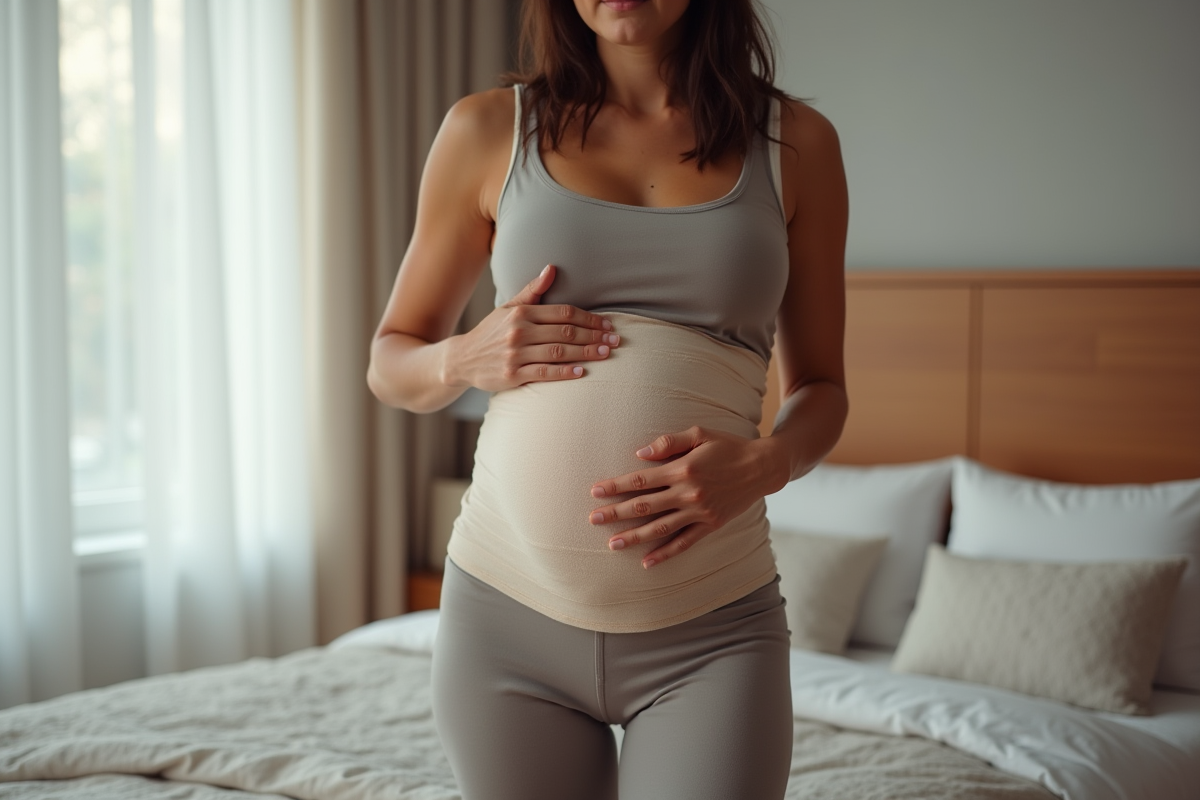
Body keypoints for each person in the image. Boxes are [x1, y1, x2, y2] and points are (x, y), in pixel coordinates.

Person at [366, 1, 848, 797]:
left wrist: (768, 463)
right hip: (504, 615)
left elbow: (822, 389)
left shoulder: (797, 145)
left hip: (711, 631)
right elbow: (391, 361)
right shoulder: (486, 130)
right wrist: (463, 354)